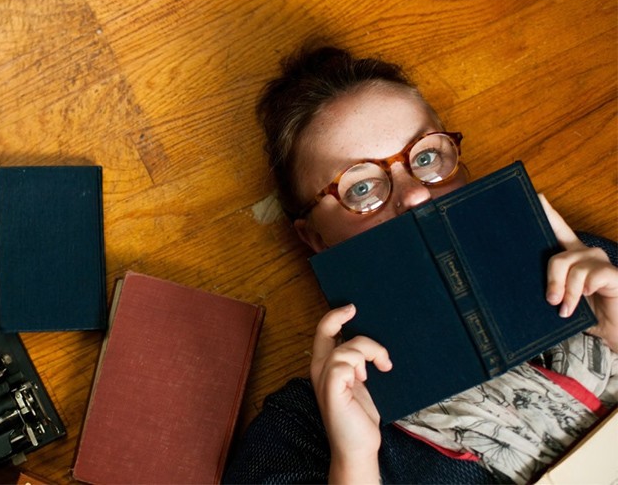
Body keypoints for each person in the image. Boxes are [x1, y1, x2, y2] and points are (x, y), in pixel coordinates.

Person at [223, 44, 618, 484]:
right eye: (360, 188)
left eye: (425, 157)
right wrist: (355, 463)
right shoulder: (299, 429)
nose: (414, 196)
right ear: (314, 237)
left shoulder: (583, 267)